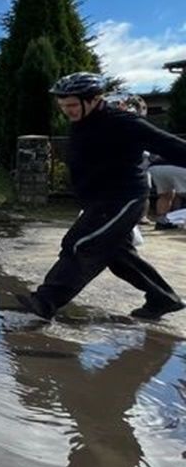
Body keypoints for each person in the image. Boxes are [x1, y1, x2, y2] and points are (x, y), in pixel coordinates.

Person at [15, 72, 186, 322]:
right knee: (118, 255)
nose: (67, 111)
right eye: (62, 106)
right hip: (97, 201)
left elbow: (171, 146)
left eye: (72, 105)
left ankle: (45, 301)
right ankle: (163, 298)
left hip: (121, 198)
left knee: (81, 244)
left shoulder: (124, 121)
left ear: (94, 99)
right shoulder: (82, 123)